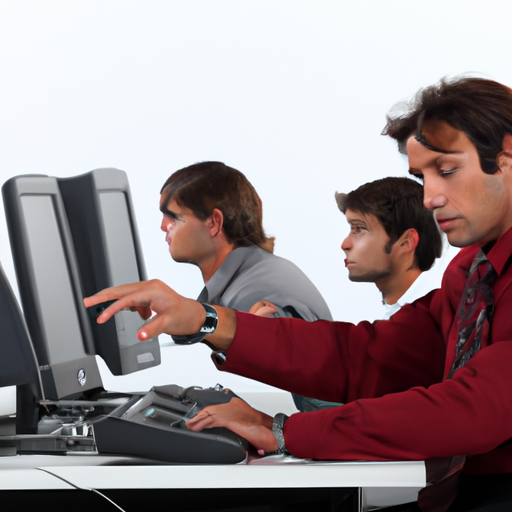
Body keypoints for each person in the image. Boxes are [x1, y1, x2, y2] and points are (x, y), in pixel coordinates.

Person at [84, 76, 512, 512]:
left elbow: (473, 411)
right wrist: (204, 320)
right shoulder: (473, 270)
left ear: (507, 156)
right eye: (422, 177)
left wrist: (285, 431)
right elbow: (369, 357)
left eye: (447, 170)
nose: (430, 197)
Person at [159, 161, 335, 409]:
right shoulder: (252, 273)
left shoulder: (253, 294)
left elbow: (323, 399)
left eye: (174, 217)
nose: (163, 226)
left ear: (213, 223)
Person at [337, 176, 443, 319]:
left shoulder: (434, 317)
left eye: (359, 229)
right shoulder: (402, 314)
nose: (345, 245)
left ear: (406, 242)